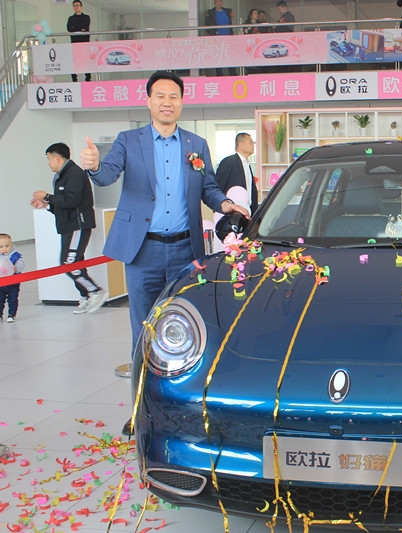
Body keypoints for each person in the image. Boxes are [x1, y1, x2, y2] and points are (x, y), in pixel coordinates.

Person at [79, 71, 250, 434]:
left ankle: (183, 410)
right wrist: (93, 166)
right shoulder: (129, 140)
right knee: (143, 332)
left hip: (186, 251)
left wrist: (226, 204)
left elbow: (208, 188)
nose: (167, 102)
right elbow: (107, 174)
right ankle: (141, 411)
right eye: (160, 96)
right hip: (143, 251)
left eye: (173, 96)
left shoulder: (196, 144)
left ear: (182, 102)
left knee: (187, 328)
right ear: (148, 101)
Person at [31, 143, 105, 314]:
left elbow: (72, 200)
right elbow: (64, 204)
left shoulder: (74, 174)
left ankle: (95, 291)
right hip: (68, 226)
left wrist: (47, 196)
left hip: (77, 226)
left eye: (49, 159)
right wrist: (46, 205)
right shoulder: (62, 176)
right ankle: (86, 296)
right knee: (75, 262)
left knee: (68, 263)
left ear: (57, 158)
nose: (48, 163)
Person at [215, 133, 258, 214]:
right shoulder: (228, 162)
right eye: (250, 142)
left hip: (248, 211)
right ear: (241, 145)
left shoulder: (247, 165)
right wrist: (219, 206)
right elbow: (218, 186)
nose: (253, 145)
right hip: (232, 212)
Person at [204, 0, 236, 76]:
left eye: (220, 1)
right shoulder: (210, 12)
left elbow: (230, 23)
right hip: (217, 38)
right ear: (214, 3)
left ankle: (232, 73)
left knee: (230, 55)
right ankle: (219, 74)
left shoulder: (228, 11)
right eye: (217, 1)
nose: (219, 3)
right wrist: (214, 33)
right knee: (218, 56)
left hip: (228, 37)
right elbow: (207, 26)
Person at [0, 233, 24, 323]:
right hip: (1, 283)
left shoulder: (15, 255)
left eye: (7, 246)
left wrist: (16, 268)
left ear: (11, 245)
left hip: (13, 282)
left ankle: (12, 314)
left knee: (13, 299)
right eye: (1, 247)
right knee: (0, 299)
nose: (4, 249)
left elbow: (21, 263)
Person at [67, 0, 91, 82]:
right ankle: (74, 79)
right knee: (74, 61)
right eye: (74, 5)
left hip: (85, 42)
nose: (76, 7)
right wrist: (80, 28)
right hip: (75, 42)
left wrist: (75, 27)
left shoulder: (86, 17)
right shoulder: (71, 18)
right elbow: (69, 29)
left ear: (81, 7)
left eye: (77, 5)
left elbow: (86, 27)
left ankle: (88, 78)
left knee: (86, 61)